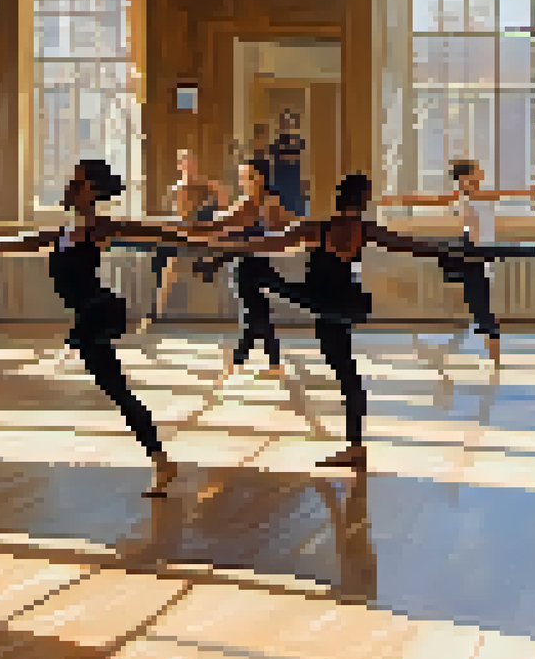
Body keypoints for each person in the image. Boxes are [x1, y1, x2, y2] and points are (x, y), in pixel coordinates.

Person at [190, 174, 480, 469]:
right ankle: (355, 446)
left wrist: (218, 250)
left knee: (252, 270)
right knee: (346, 372)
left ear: (339, 198)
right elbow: (412, 245)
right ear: (362, 201)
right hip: (346, 303)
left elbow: (265, 244)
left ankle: (250, 330)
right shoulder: (362, 229)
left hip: (321, 300)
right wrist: (449, 252)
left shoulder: (316, 228)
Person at [0, 160, 190, 498]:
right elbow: (18, 243)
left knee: (117, 390)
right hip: (89, 314)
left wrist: (204, 240)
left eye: (78, 182)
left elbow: (153, 232)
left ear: (91, 192)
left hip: (98, 311)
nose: (70, 186)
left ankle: (161, 460)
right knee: (117, 390)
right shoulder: (63, 233)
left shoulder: (98, 228)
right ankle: (161, 460)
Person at [378, 159, 535, 366]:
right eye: (475, 171)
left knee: (476, 302)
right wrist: (395, 199)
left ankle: (476, 351)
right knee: (476, 302)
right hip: (469, 251)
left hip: (475, 251)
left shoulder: (476, 194)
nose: (480, 173)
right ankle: (477, 351)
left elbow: (507, 195)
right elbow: (432, 200)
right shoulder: (467, 195)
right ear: (466, 177)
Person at [193, 160, 298, 385]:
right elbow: (222, 225)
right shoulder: (246, 204)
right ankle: (263, 362)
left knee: (255, 315)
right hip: (245, 265)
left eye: (248, 177)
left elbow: (281, 229)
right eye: (241, 177)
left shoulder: (263, 204)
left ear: (260, 179)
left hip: (256, 265)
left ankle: (248, 362)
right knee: (256, 314)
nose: (243, 182)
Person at [143, 149, 229, 329]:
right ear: (180, 165)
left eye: (192, 162)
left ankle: (205, 262)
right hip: (183, 235)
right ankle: (154, 310)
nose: (189, 166)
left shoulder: (208, 187)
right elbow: (178, 218)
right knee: (159, 257)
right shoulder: (176, 189)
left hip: (203, 235)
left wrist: (209, 188)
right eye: (186, 162)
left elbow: (224, 207)